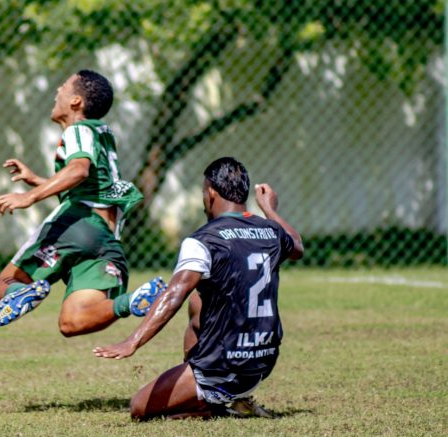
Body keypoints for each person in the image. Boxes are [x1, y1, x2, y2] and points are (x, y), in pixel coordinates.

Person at [93, 157, 304, 420]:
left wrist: (132, 341)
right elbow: (296, 246)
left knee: (139, 407)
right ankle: (225, 395)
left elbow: (174, 293)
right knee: (199, 299)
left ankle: (212, 402)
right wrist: (269, 209)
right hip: (262, 361)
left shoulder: (205, 239)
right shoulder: (270, 231)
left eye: (204, 191)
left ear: (211, 193)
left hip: (225, 367)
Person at [0, 69, 166, 335]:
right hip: (105, 236)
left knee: (3, 288)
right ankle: (131, 301)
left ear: (76, 102)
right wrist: (38, 180)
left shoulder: (78, 129)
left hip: (77, 222)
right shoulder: (101, 132)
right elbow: (93, 184)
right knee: (73, 321)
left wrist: (28, 197)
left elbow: (79, 170)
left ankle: (25, 291)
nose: (56, 92)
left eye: (62, 87)